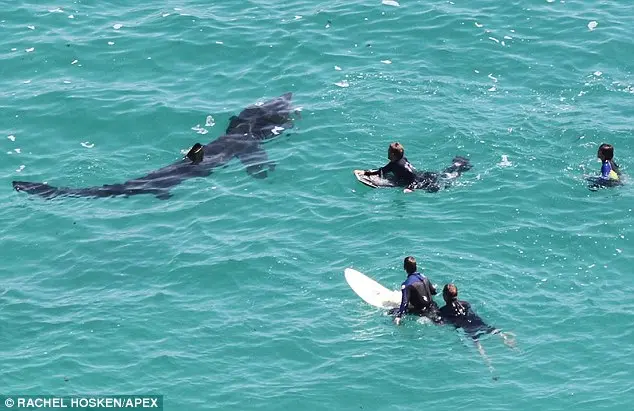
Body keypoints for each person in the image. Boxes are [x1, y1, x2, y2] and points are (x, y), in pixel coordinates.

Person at [439, 283, 515, 374]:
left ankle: (489, 364)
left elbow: (445, 323)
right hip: (478, 322)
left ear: (444, 296)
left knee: (479, 347)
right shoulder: (466, 304)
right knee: (493, 330)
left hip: (468, 328)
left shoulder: (443, 311)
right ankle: (506, 339)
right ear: (457, 294)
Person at [392, 256, 441, 325]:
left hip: (421, 311)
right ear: (416, 267)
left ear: (404, 267)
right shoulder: (424, 277)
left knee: (391, 312)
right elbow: (433, 292)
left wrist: (398, 317)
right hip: (433, 306)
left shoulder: (406, 285)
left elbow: (404, 303)